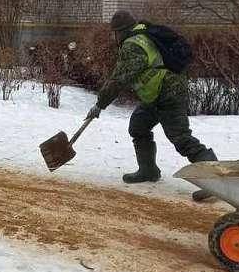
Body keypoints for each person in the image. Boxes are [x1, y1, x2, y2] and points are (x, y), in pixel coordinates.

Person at [86, 11, 217, 201]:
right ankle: (148, 170)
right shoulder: (144, 34)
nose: (113, 37)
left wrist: (100, 104)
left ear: (120, 32)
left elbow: (119, 79)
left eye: (113, 33)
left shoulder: (133, 45)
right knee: (138, 126)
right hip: (156, 93)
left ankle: (214, 179)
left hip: (168, 93)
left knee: (180, 137)